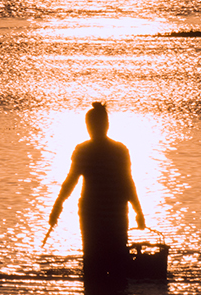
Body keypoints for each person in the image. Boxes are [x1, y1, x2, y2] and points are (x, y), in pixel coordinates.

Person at [49, 101, 145, 278]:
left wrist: (58, 205)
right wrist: (138, 211)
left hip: (92, 211)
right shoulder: (119, 150)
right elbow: (128, 183)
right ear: (106, 124)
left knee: (92, 259)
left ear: (90, 126)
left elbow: (70, 182)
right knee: (116, 258)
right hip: (114, 211)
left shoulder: (83, 150)